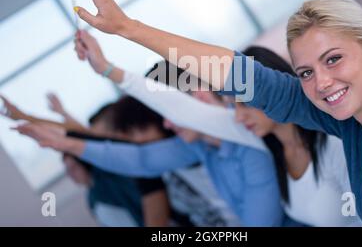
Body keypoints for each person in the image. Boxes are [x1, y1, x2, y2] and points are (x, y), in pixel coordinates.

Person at [54, 0, 362, 226]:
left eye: (333, 59)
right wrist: (126, 32)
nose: (322, 82)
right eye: (306, 72)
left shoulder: (333, 133)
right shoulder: (345, 127)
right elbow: (241, 76)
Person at [15, 31, 283, 226]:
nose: (166, 124)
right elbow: (141, 159)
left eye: (168, 114)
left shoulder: (248, 144)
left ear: (199, 97)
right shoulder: (203, 144)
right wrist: (66, 144)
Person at [234, 46, 362, 226]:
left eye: (245, 104)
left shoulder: (334, 143)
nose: (238, 117)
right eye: (233, 107)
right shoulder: (270, 148)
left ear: (273, 90)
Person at [1, 94, 171, 227]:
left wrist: (26, 116)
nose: (70, 174)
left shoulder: (119, 169)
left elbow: (80, 134)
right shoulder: (136, 170)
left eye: (73, 168)